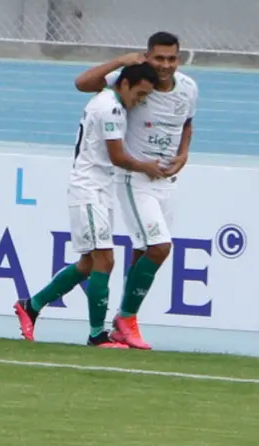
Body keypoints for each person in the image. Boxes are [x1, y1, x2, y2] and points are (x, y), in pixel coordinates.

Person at [14, 63, 164, 348]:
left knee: (87, 264)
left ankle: (31, 306)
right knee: (104, 260)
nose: (140, 101)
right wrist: (147, 167)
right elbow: (118, 156)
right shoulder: (109, 107)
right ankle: (97, 335)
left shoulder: (111, 99)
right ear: (124, 85)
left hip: (100, 189)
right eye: (139, 94)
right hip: (90, 189)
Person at [71, 32, 198, 350]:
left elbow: (186, 123)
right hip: (135, 179)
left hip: (166, 181)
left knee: (144, 253)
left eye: (171, 59)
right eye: (159, 58)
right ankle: (125, 319)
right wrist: (121, 61)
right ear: (146, 56)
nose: (165, 65)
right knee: (160, 247)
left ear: (178, 59)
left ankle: (123, 324)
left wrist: (183, 154)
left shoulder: (189, 88)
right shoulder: (132, 79)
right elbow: (84, 83)